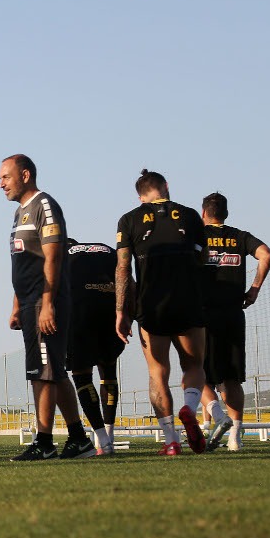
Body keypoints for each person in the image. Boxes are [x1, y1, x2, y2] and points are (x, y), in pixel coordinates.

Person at [0, 154, 93, 461]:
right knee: (54, 371)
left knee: (42, 372)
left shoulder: (44, 205)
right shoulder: (19, 214)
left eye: (6, 177)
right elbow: (23, 261)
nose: (0, 184)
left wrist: (48, 304)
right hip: (28, 302)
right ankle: (79, 439)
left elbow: (53, 256)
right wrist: (16, 303)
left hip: (44, 300)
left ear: (25, 175)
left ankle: (44, 442)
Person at [115, 169, 209, 456]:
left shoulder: (128, 219)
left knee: (157, 373)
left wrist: (121, 311)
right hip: (188, 301)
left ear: (140, 195)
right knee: (194, 366)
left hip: (151, 305)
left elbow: (122, 268)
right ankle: (190, 408)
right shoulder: (191, 215)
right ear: (166, 187)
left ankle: (171, 442)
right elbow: (202, 258)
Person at [198, 192, 270, 451]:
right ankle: (235, 439)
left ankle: (218, 417)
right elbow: (266, 254)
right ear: (226, 214)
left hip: (203, 313)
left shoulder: (197, 236)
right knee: (232, 379)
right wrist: (254, 289)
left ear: (203, 213)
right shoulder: (240, 236)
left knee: (197, 373)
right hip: (232, 313)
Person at [65, 239, 126, 455]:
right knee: (108, 372)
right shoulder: (105, 249)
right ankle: (109, 435)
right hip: (110, 314)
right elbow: (126, 277)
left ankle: (102, 440)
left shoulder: (63, 254)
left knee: (82, 376)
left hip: (79, 316)